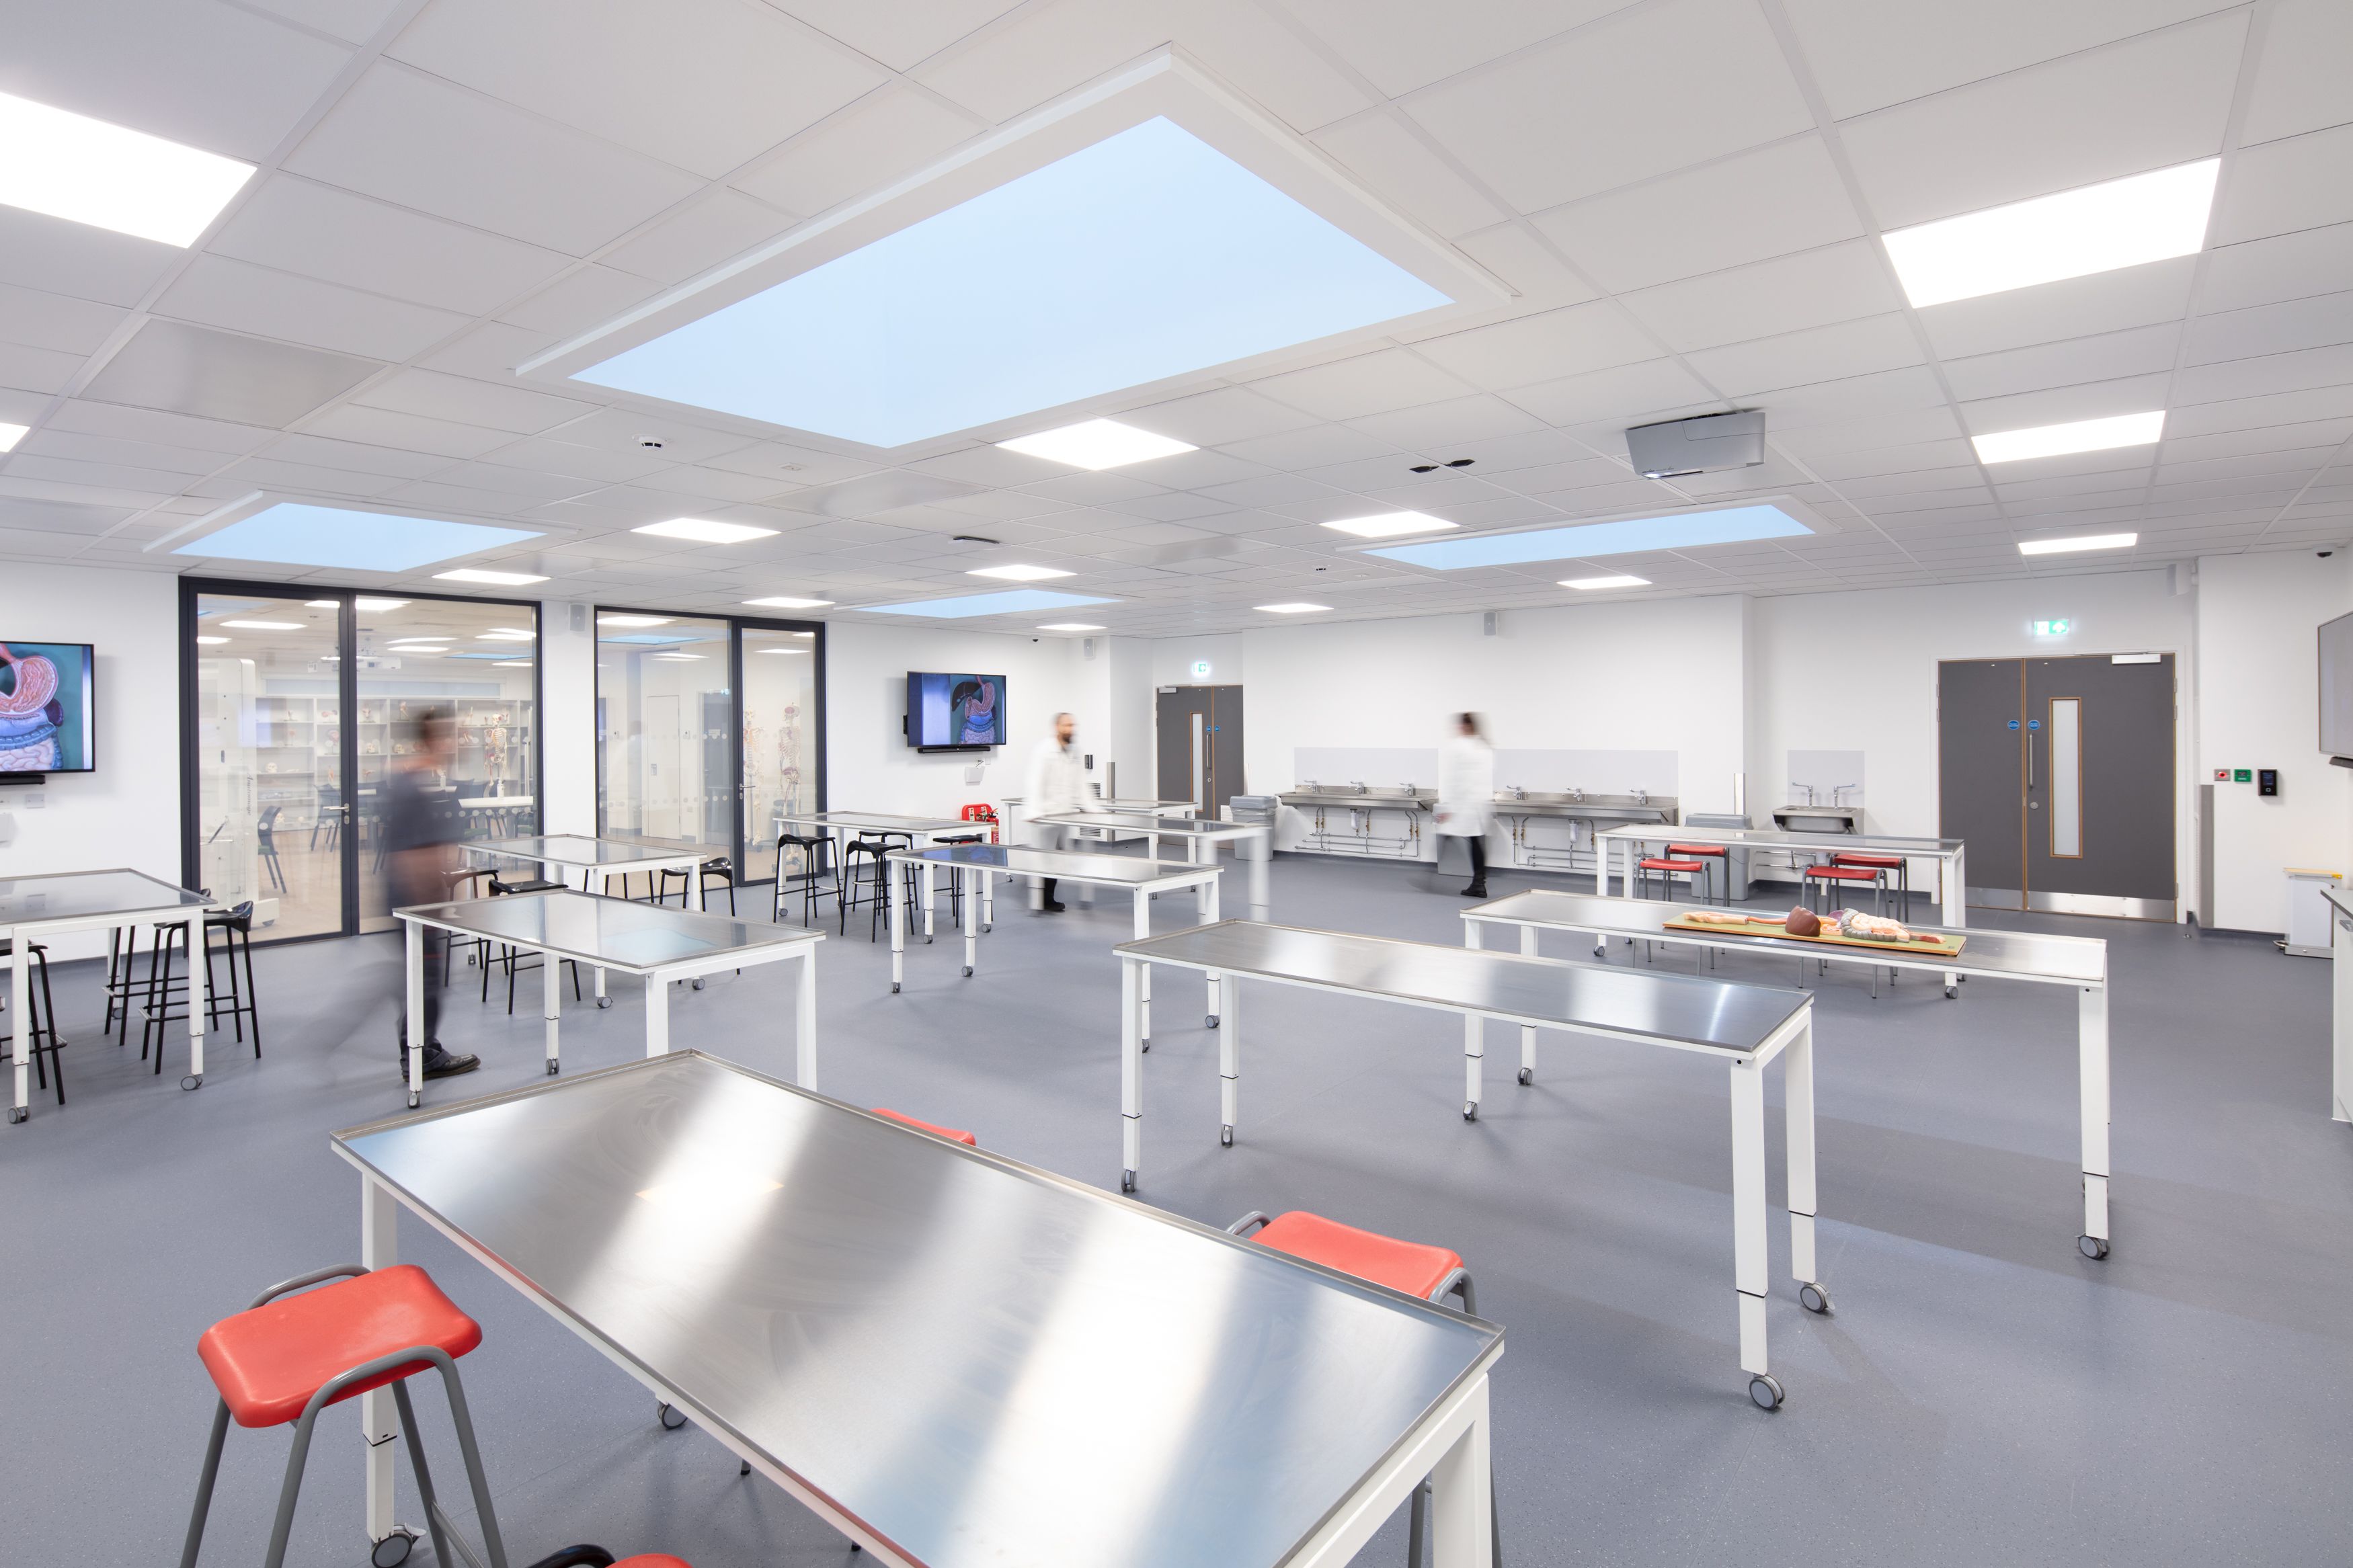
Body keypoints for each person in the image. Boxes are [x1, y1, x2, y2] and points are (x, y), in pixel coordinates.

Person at [381, 705, 479, 1080]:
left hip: (408, 902)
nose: (456, 742)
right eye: (450, 734)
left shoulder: (408, 783)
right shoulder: (413, 792)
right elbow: (414, 859)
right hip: (416, 905)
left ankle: (423, 1050)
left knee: (418, 981)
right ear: (434, 738)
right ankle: (422, 1058)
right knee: (425, 982)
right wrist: (434, 911)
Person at [1022, 710, 1096, 912]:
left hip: (1064, 813)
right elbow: (1035, 781)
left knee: (1058, 859)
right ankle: (1039, 901)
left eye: (1072, 725)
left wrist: (1090, 807)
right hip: (1045, 815)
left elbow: (1081, 783)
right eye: (1067, 725)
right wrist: (1033, 809)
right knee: (1042, 859)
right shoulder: (1044, 750)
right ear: (1057, 727)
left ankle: (1047, 898)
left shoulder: (1075, 751)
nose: (1070, 729)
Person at [1436, 711, 1494, 899]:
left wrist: (1447, 808)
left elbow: (1454, 780)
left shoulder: (1458, 747)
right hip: (1479, 804)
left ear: (1464, 726)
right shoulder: (1483, 747)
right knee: (1476, 842)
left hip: (1464, 804)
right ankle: (1479, 882)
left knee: (1448, 833)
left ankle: (1478, 884)